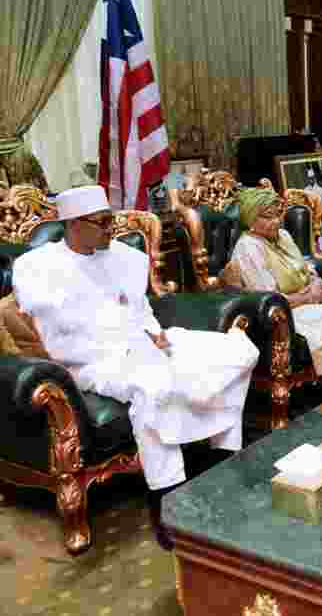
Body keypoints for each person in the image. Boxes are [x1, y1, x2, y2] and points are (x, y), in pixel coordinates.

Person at [12, 186, 260, 551]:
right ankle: (167, 496)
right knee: (154, 387)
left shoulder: (124, 258)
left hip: (144, 344)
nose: (112, 229)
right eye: (103, 223)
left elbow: (139, 310)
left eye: (111, 219)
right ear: (73, 225)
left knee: (235, 351)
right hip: (91, 362)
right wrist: (133, 343)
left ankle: (220, 457)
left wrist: (154, 334)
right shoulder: (40, 268)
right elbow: (60, 332)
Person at [226, 187, 322, 377]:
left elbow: (306, 267)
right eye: (268, 217)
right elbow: (269, 298)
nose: (276, 221)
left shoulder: (283, 236)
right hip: (286, 311)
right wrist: (310, 297)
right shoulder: (248, 247)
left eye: (277, 215)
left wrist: (316, 282)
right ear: (251, 220)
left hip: (308, 296)